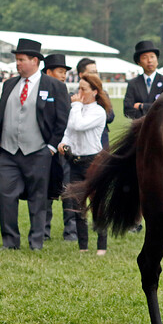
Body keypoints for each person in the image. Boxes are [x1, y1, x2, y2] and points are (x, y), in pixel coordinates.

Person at [0, 39, 70, 251]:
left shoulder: (55, 86)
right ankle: (10, 242)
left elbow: (62, 120)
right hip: (8, 152)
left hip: (38, 151)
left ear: (35, 61)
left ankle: (36, 242)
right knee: (5, 195)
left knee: (38, 199)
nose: (18, 64)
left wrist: (51, 148)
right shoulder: (9, 84)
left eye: (21, 60)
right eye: (16, 60)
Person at [59, 73, 110, 255]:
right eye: (78, 88)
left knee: (97, 205)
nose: (79, 92)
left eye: (83, 89)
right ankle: (83, 246)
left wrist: (75, 105)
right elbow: (69, 130)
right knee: (77, 206)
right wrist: (63, 143)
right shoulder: (77, 109)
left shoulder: (98, 112)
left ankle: (101, 246)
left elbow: (78, 125)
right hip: (75, 161)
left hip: (93, 161)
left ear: (95, 92)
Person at [42, 54, 77, 242]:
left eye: (65, 72)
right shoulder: (39, 90)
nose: (64, 76)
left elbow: (66, 121)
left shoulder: (63, 90)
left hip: (63, 149)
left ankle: (71, 231)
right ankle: (43, 230)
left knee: (68, 190)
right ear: (49, 72)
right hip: (43, 149)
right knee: (44, 191)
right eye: (60, 72)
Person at [123, 40, 163, 120]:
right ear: (139, 62)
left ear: (157, 60)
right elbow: (127, 110)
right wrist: (153, 109)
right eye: (144, 57)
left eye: (152, 57)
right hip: (139, 128)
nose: (149, 60)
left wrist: (141, 106)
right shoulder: (133, 84)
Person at [76, 57, 115, 148]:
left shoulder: (103, 93)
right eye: (92, 72)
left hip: (101, 141)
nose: (96, 75)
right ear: (81, 75)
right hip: (81, 144)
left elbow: (111, 117)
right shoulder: (74, 96)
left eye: (96, 72)